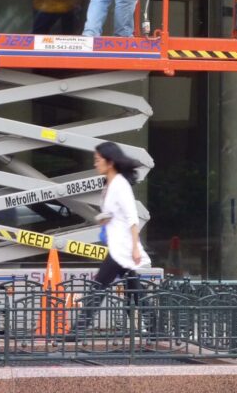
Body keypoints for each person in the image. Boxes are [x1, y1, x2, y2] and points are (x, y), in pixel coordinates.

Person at [71, 141, 150, 336]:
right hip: (118, 244)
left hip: (122, 247)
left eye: (98, 160)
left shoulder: (120, 185)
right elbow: (117, 214)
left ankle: (77, 330)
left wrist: (134, 248)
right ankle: (157, 328)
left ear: (110, 162)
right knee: (135, 289)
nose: (95, 164)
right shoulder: (111, 184)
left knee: (99, 285)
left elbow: (132, 217)